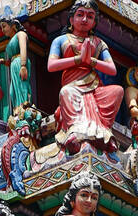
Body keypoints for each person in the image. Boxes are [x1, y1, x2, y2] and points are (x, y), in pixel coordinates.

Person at [47, 0, 123, 151]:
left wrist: (91, 61)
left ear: (94, 22)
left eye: (90, 16)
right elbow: (51, 66)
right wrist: (78, 60)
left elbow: (112, 69)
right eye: (80, 15)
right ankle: (75, 132)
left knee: (117, 91)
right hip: (72, 85)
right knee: (66, 92)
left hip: (94, 86)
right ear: (71, 19)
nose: (84, 19)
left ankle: (105, 133)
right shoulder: (61, 40)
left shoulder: (98, 42)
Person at [0, 14, 32, 116]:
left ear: (12, 25)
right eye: (1, 28)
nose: (2, 30)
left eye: (4, 26)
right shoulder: (10, 40)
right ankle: (18, 109)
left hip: (20, 62)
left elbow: (23, 49)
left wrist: (23, 65)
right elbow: (10, 61)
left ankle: (25, 108)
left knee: (22, 86)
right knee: (13, 91)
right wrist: (2, 62)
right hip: (14, 64)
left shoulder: (20, 34)